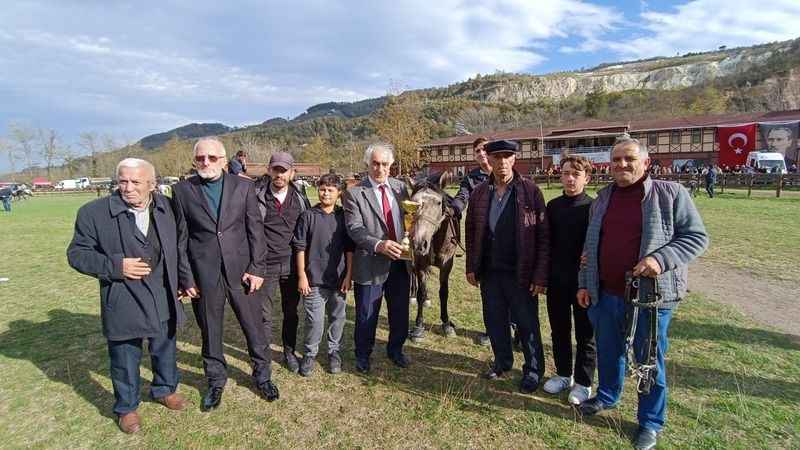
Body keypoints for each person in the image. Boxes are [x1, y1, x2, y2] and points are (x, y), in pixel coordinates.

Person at [576, 136, 709, 450]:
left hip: (650, 298)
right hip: (605, 292)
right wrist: (584, 282)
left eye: (629, 159)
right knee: (609, 351)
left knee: (649, 360)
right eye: (617, 159)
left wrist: (660, 259)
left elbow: (696, 237)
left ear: (646, 163)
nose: (622, 165)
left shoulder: (671, 194)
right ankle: (607, 396)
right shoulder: (602, 198)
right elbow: (589, 247)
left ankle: (650, 422)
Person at [67, 158, 187, 433]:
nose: (128, 188)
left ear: (152, 184)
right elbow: (76, 254)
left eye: (136, 182)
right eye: (123, 181)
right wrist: (115, 266)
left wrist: (180, 279)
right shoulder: (93, 213)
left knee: (165, 348)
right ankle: (127, 407)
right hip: (122, 297)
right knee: (124, 357)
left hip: (162, 292)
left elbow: (178, 246)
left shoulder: (166, 208)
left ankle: (165, 389)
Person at [171, 137, 278, 411]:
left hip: (242, 272)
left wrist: (257, 269)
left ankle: (263, 376)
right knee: (211, 331)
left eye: (212, 158)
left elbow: (256, 231)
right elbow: (180, 239)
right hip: (205, 275)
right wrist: (186, 278)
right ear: (194, 161)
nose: (205, 163)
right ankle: (216, 381)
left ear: (223, 158)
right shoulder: (182, 191)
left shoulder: (243, 186)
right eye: (200, 158)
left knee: (254, 327)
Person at [464, 139, 549, 393]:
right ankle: (502, 362)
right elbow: (470, 231)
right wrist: (471, 266)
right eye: (496, 157)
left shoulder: (530, 191)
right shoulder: (479, 193)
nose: (501, 162)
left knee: (527, 323)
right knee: (494, 320)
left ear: (514, 159)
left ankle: (533, 370)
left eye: (507, 156)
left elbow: (543, 236)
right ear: (488, 160)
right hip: (490, 272)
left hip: (521, 272)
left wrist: (540, 275)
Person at [343, 143, 411, 373]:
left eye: (384, 164)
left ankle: (396, 350)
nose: (380, 168)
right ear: (368, 164)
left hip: (401, 262)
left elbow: (411, 220)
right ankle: (363, 354)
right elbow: (354, 228)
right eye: (375, 163)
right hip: (371, 262)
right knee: (366, 313)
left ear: (391, 165)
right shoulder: (354, 193)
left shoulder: (401, 188)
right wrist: (379, 244)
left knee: (400, 311)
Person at [542, 155, 596, 405]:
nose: (570, 178)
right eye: (565, 173)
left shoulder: (593, 207)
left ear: (587, 177)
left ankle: (584, 383)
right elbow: (545, 244)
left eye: (576, 173)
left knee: (585, 333)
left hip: (584, 282)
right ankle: (564, 374)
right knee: (559, 330)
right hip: (557, 279)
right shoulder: (552, 206)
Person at [293, 173, 354, 376]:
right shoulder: (308, 216)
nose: (325, 193)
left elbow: (349, 250)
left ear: (339, 193)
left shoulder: (343, 217)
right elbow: (300, 247)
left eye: (330, 190)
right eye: (322, 189)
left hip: (338, 280)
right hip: (313, 280)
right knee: (314, 320)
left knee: (338, 317)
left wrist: (348, 275)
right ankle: (309, 354)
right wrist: (302, 275)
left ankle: (334, 351)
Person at [255, 151, 310, 373]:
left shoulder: (300, 199)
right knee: (263, 314)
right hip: (264, 265)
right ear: (269, 170)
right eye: (275, 169)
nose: (279, 174)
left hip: (291, 265)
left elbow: (306, 233)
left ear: (292, 173)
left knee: (291, 312)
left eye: (284, 170)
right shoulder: (255, 197)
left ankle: (289, 351)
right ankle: (264, 356)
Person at [450, 137, 493, 346]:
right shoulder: (472, 178)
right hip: (483, 239)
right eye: (477, 151)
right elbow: (462, 196)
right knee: (488, 288)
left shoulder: (505, 170)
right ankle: (491, 328)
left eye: (484, 149)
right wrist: (454, 207)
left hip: (508, 239)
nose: (481, 153)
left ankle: (514, 326)